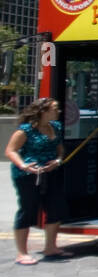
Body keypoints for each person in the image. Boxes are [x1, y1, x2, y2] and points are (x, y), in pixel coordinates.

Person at [6, 98, 69, 265]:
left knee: (55, 206)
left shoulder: (56, 127)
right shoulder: (26, 130)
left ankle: (50, 247)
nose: (58, 111)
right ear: (43, 111)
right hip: (29, 175)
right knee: (28, 209)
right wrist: (24, 166)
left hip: (51, 172)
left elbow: (60, 150)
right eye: (55, 109)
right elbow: (10, 151)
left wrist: (57, 161)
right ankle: (22, 253)